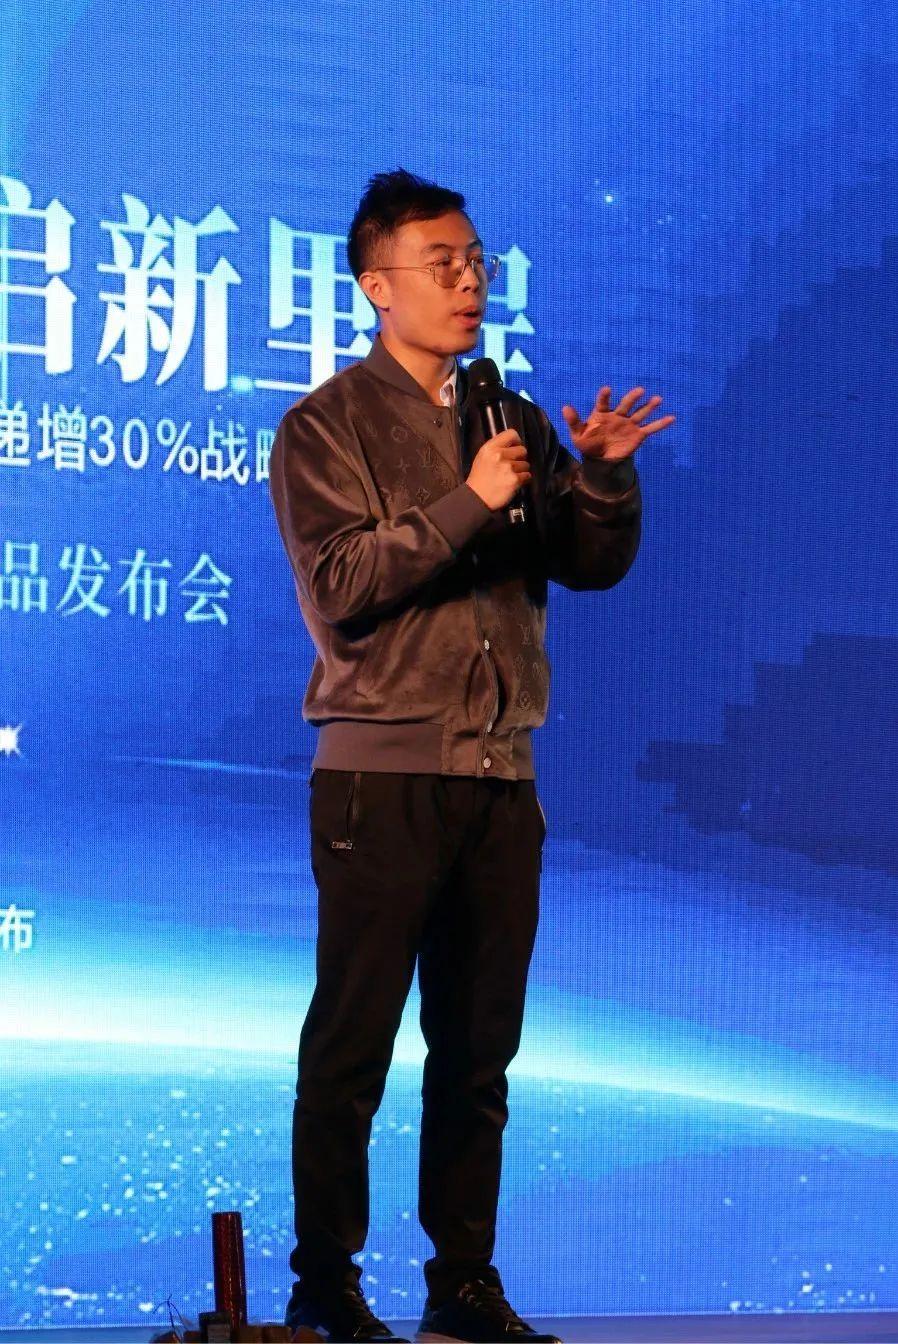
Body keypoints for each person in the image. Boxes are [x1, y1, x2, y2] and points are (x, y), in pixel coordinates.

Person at [268, 168, 674, 1344]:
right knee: (352, 1046)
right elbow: (343, 584)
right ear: (374, 284)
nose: (467, 282)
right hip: (381, 777)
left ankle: (462, 1285)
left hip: (501, 777)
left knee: (478, 1052)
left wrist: (601, 477)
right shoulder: (325, 426)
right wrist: (467, 499)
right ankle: (325, 1285)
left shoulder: (509, 419)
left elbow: (586, 564)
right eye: (440, 263)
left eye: (475, 261)